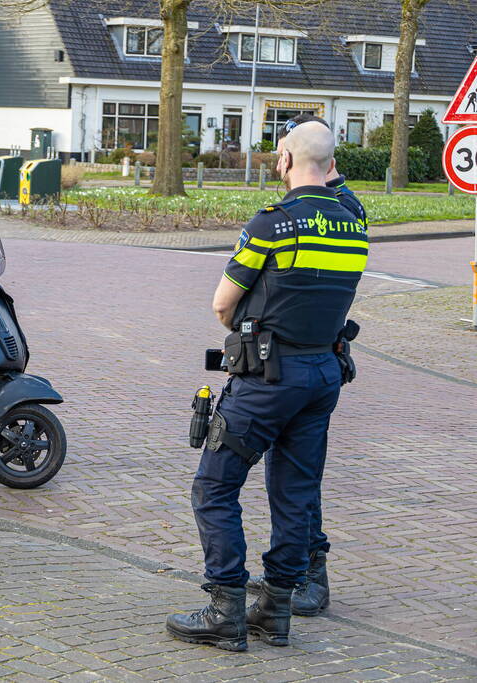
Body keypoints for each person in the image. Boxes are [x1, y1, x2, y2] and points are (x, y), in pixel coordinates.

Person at [166, 122, 367, 651]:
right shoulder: (354, 224)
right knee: (296, 494)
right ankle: (276, 611)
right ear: (329, 164)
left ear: (283, 159)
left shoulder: (272, 224)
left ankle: (225, 610)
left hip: (266, 380)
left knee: (214, 487)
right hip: (323, 375)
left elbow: (223, 303)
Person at [241, 114, 368, 617]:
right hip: (288, 357)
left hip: (308, 357)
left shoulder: (342, 207)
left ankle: (309, 573)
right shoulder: (306, 206)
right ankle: (286, 575)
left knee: (296, 475)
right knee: (283, 471)